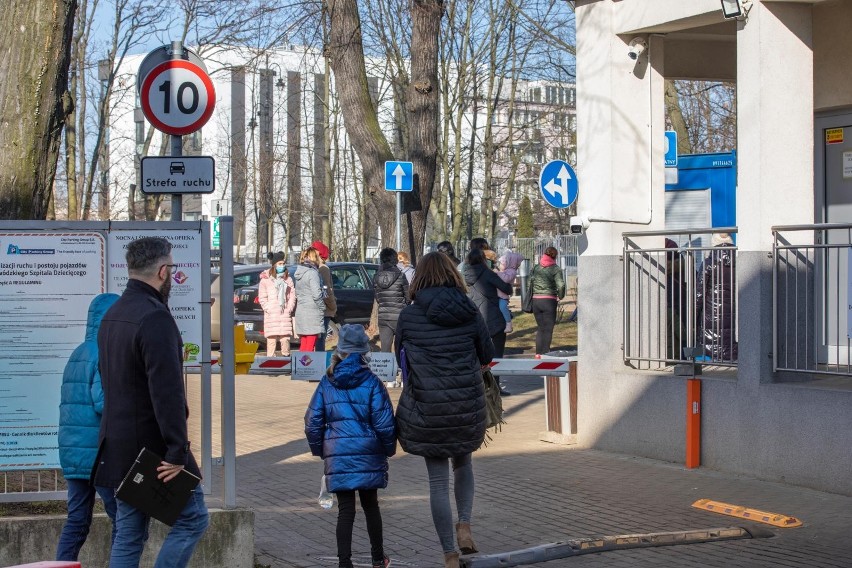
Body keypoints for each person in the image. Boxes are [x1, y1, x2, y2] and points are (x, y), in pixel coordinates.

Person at [94, 237, 208, 568]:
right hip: (154, 453)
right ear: (162, 271)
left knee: (129, 533)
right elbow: (167, 392)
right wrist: (177, 452)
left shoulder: (113, 314)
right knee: (193, 520)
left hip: (117, 448)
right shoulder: (154, 317)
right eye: (171, 267)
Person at [394, 252, 495, 568]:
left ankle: (450, 554)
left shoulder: (408, 316)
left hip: (427, 407)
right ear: (453, 275)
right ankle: (464, 525)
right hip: (466, 404)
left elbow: (400, 357)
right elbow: (487, 354)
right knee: (463, 463)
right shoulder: (469, 310)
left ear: (419, 277)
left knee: (437, 482)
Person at [305, 324, 396, 568]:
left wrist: (321, 450)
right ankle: (378, 559)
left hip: (338, 454)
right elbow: (385, 422)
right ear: (364, 352)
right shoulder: (373, 382)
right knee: (371, 506)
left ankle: (344, 563)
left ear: (340, 351)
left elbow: (312, 421)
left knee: (345, 510)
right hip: (368, 453)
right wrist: (388, 450)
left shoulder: (327, 382)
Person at [56, 293, 120, 562]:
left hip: (74, 452)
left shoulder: (79, 352)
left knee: (77, 522)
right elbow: (102, 403)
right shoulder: (105, 353)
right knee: (124, 521)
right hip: (97, 453)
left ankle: (59, 566)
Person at [463, 248, 512, 394]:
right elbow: (506, 289)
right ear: (483, 260)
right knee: (497, 356)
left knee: (476, 354)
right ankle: (495, 388)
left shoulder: (463, 276)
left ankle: (478, 387)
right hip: (493, 318)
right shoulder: (488, 273)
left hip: (474, 318)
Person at [696, 232, 738, 361]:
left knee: (713, 346)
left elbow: (700, 291)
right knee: (729, 342)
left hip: (712, 314)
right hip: (733, 312)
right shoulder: (739, 261)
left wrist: (695, 312)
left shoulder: (709, 263)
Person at [528, 246, 566, 357]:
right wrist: (561, 295)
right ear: (555, 256)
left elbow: (530, 282)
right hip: (549, 301)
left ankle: (538, 353)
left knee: (541, 328)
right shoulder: (555, 269)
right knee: (548, 329)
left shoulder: (536, 268)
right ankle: (545, 354)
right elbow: (561, 285)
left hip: (536, 301)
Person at [258, 252, 296, 357]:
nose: (282, 265)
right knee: (271, 339)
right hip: (272, 314)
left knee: (285, 339)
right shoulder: (265, 280)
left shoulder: (288, 279)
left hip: (284, 313)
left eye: (283, 263)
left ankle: (286, 359)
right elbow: (262, 297)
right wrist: (268, 308)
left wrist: (289, 308)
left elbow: (292, 295)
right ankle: (270, 360)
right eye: (279, 263)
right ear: (274, 264)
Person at [374, 247, 409, 353]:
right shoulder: (401, 275)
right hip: (399, 315)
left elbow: (377, 298)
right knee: (401, 346)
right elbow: (408, 296)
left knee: (385, 348)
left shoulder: (376, 276)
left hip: (383, 316)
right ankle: (401, 367)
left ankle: (386, 369)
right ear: (395, 260)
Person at [293, 247, 326, 352]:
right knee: (310, 346)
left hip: (301, 310)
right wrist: (322, 307)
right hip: (312, 312)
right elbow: (316, 294)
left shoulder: (299, 273)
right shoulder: (312, 273)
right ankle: (307, 367)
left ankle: (300, 367)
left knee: (304, 344)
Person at [312, 240, 338, 352]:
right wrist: (333, 305)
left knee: (317, 337)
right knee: (321, 338)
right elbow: (327, 290)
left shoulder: (314, 267)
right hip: (324, 309)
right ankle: (320, 363)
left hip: (316, 307)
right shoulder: (324, 269)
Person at [495, 251, 523, 334]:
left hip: (503, 295)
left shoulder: (512, 271)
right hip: (499, 294)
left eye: (502, 264)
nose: (500, 266)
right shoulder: (506, 270)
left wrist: (498, 273)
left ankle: (508, 323)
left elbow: (506, 279)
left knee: (503, 307)